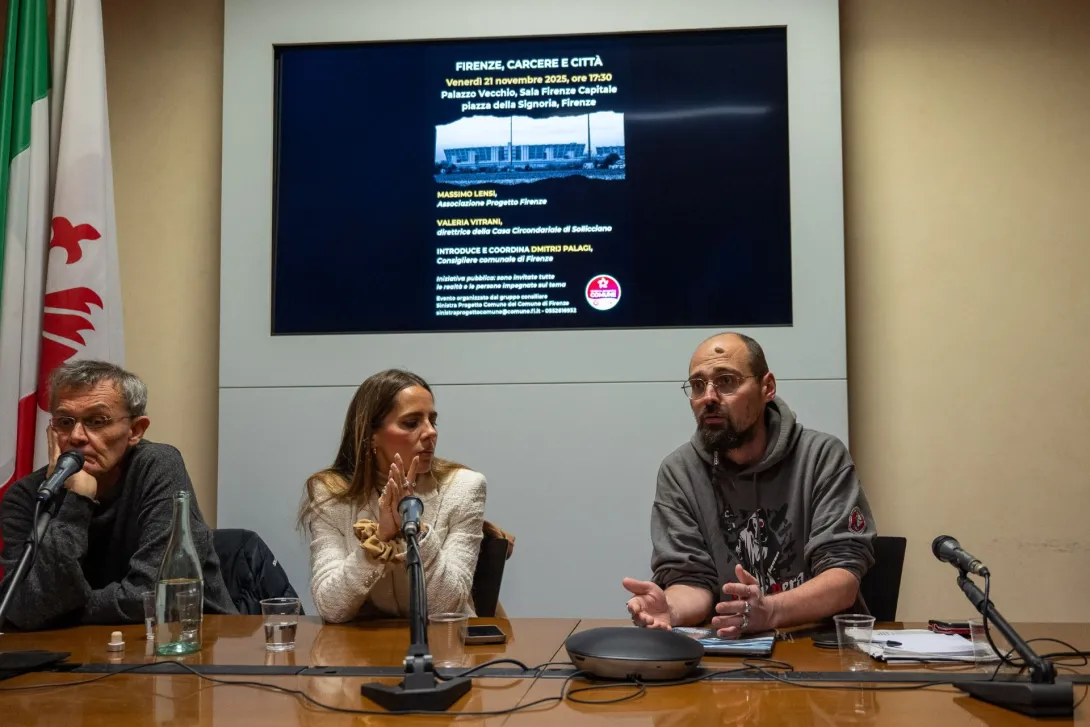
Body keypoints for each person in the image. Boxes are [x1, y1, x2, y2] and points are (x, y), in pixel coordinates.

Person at [623, 333, 876, 638]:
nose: (709, 397)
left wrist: (769, 611)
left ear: (766, 387)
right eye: (698, 385)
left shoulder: (821, 457)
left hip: (817, 646)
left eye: (726, 381)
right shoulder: (680, 471)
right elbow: (692, 580)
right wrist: (671, 610)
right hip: (729, 652)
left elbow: (843, 579)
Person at [0, 360, 236, 630]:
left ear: (135, 430)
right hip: (74, 652)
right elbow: (19, 607)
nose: (76, 436)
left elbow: (154, 594)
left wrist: (59, 611)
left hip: (187, 638)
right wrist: (75, 501)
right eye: (65, 422)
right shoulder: (27, 496)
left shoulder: (158, 466)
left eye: (96, 421)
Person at [300, 369, 486, 622]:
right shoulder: (330, 493)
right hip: (361, 652)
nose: (431, 432)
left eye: (433, 420)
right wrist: (380, 539)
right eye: (411, 423)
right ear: (371, 436)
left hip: (445, 648)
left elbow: (447, 605)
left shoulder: (464, 487)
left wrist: (416, 529)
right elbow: (332, 608)